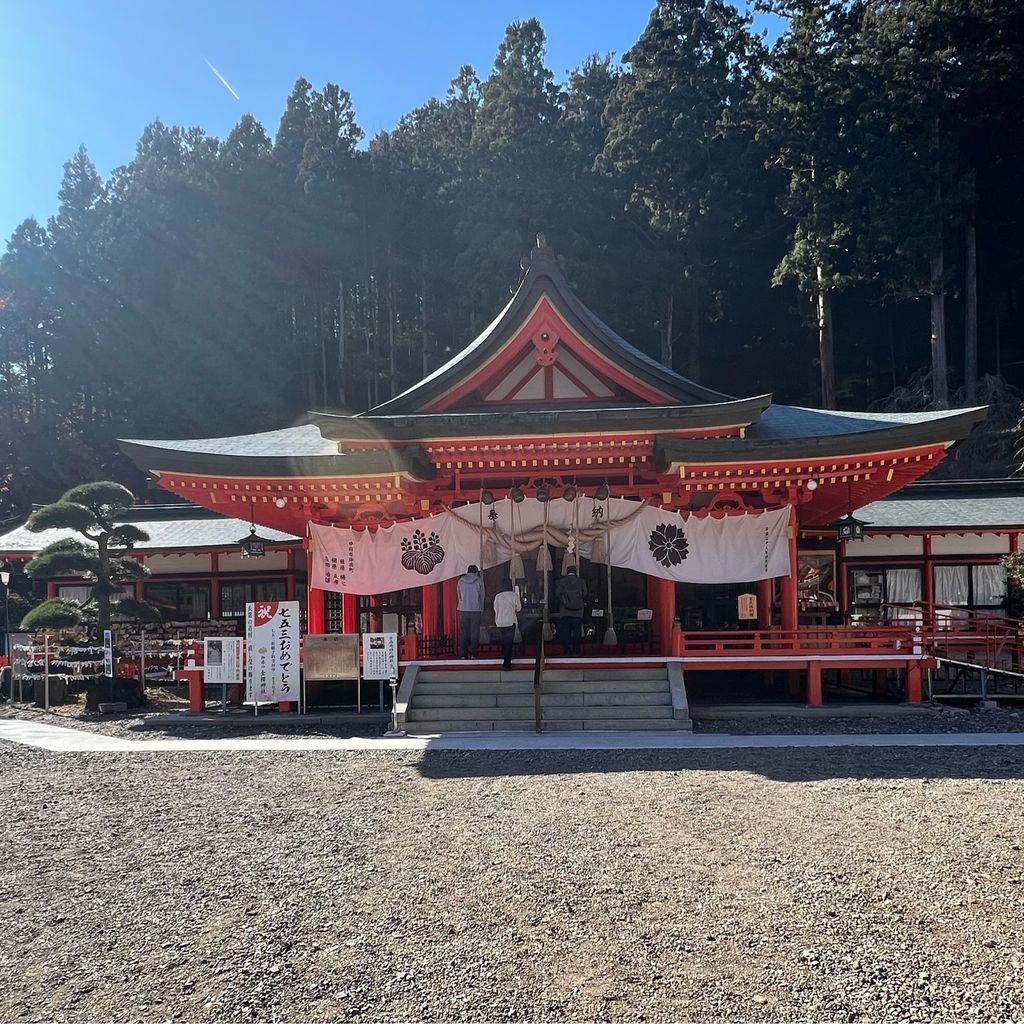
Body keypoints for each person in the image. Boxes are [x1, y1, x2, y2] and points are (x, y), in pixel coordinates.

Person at [555, 565, 587, 656]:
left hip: (565, 611)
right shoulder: (581, 581)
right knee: (577, 632)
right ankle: (576, 651)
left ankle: (567, 651)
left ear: (567, 571)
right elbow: (585, 594)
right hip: (578, 612)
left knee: (566, 632)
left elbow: (558, 593)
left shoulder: (562, 582)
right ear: (575, 571)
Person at [456, 564, 485, 658]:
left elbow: (459, 595)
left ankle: (463, 654)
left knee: (464, 632)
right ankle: (474, 654)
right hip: (475, 609)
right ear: (476, 572)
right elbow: (482, 596)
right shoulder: (479, 581)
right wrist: (481, 608)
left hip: (463, 609)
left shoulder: (460, 581)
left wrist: (462, 603)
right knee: (475, 632)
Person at [493, 580, 522, 671]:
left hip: (500, 622)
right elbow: (519, 608)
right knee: (509, 643)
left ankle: (503, 654)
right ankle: (507, 664)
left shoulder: (498, 596)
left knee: (503, 641)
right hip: (510, 621)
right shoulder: (514, 595)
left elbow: (495, 608)